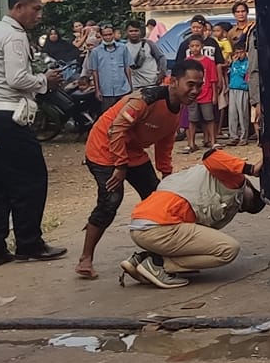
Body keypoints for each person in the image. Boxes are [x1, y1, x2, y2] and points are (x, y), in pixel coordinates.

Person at [75, 58, 204, 280]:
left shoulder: (176, 110)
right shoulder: (145, 99)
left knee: (159, 198)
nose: (195, 90)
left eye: (199, 85)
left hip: (131, 151)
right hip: (104, 148)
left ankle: (161, 257)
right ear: (173, 82)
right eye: (190, 84)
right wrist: (120, 166)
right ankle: (85, 258)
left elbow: (165, 142)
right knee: (111, 200)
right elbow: (116, 129)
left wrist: (167, 175)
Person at [0, 0, 67, 267]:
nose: (39, 15)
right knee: (30, 179)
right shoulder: (15, 36)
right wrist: (44, 82)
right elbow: (16, 79)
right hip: (11, 115)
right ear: (18, 8)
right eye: (35, 8)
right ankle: (29, 243)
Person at [117, 148, 265, 288]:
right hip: (160, 226)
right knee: (228, 249)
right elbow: (211, 155)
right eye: (248, 202)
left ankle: (143, 259)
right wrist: (250, 169)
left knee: (204, 240)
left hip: (141, 226)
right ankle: (159, 264)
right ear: (249, 187)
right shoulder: (234, 179)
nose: (239, 207)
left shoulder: (196, 176)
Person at [182, 35, 222, 152]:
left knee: (209, 118)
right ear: (189, 47)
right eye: (192, 46)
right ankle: (191, 143)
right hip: (191, 95)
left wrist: (214, 95)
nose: (195, 48)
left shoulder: (209, 62)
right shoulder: (187, 62)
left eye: (197, 46)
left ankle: (213, 141)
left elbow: (213, 79)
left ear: (202, 46)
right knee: (192, 119)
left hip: (206, 93)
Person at [83, 23, 135, 105]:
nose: (108, 37)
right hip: (106, 91)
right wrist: (97, 90)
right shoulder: (96, 52)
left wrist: (131, 86)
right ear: (101, 35)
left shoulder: (123, 48)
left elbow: (127, 68)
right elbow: (94, 72)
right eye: (105, 35)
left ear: (113, 34)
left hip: (123, 89)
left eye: (110, 34)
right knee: (108, 115)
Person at [121, 20, 160, 90]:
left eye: (136, 31)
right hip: (135, 85)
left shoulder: (149, 44)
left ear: (140, 31)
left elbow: (161, 58)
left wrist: (161, 74)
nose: (133, 33)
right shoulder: (123, 48)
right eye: (131, 31)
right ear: (126, 32)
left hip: (152, 83)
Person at [225, 48, 251, 143]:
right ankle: (233, 136)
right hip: (232, 88)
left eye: (241, 52)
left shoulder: (248, 63)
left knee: (242, 113)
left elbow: (245, 74)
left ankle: (244, 136)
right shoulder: (234, 63)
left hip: (242, 89)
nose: (239, 55)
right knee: (232, 114)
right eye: (237, 53)